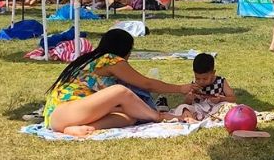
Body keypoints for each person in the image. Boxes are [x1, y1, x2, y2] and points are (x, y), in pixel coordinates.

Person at [43, 28, 196, 137]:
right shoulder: (110, 60)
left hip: (63, 118)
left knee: (132, 115)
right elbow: (146, 84)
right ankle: (159, 117)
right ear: (126, 50)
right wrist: (181, 88)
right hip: (64, 112)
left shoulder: (91, 59)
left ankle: (83, 128)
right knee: (120, 91)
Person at [170, 53, 236, 122]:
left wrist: (220, 99)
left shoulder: (220, 81)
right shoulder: (194, 84)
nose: (201, 81)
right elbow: (187, 103)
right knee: (182, 107)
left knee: (230, 106)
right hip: (200, 109)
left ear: (213, 73)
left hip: (217, 107)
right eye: (197, 78)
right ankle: (193, 118)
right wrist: (189, 98)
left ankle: (213, 117)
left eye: (205, 79)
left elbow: (233, 98)